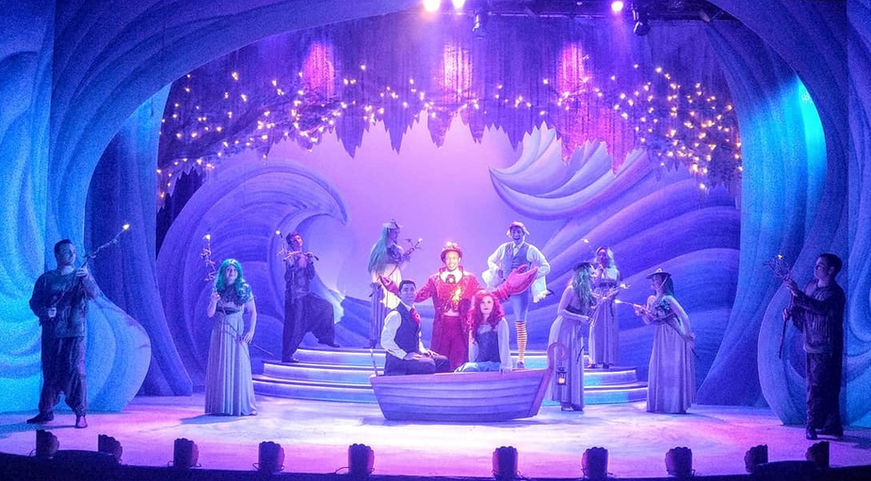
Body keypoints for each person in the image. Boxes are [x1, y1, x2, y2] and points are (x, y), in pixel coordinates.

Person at [27, 239, 99, 428]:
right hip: (52, 332)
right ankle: (46, 411)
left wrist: (87, 279)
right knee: (50, 371)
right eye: (67, 251)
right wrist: (44, 312)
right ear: (57, 255)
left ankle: (80, 414)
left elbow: (94, 295)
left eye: (73, 251)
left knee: (75, 371)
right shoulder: (46, 279)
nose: (72, 254)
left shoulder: (80, 276)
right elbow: (34, 302)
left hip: (74, 332)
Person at [783, 253, 845, 440]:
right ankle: (831, 425)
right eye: (816, 264)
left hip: (827, 347)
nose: (815, 268)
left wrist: (798, 295)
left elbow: (820, 308)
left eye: (820, 265)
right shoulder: (811, 286)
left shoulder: (835, 294)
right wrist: (791, 313)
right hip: (812, 344)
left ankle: (813, 424)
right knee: (820, 385)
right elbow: (803, 311)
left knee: (820, 386)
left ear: (831, 270)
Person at [484, 221, 550, 368]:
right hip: (504, 287)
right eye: (513, 232)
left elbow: (546, 267)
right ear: (510, 233)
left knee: (520, 323)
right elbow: (490, 260)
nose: (516, 234)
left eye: (519, 232)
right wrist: (497, 270)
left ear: (523, 233)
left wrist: (530, 277)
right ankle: (492, 353)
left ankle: (521, 358)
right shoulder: (504, 248)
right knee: (491, 318)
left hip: (520, 291)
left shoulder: (530, 250)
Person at [634, 268, 695, 414]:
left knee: (672, 366)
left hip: (673, 334)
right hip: (661, 335)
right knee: (660, 366)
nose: (654, 282)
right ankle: (661, 403)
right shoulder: (651, 300)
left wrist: (687, 335)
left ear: (663, 282)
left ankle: (674, 404)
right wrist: (643, 313)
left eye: (657, 280)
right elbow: (650, 321)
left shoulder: (668, 299)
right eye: (653, 280)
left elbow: (684, 316)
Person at [415, 242, 483, 370]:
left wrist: (506, 290)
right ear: (444, 260)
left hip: (461, 326)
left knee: (460, 360)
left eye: (454, 258)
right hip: (442, 326)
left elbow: (484, 295)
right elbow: (419, 296)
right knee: (440, 360)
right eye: (448, 258)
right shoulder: (434, 279)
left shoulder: (469, 279)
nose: (451, 261)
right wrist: (397, 289)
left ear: (459, 259)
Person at [205, 259, 258, 415]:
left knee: (238, 364)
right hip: (220, 330)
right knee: (221, 365)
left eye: (234, 270)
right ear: (223, 272)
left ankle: (239, 404)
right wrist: (213, 301)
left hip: (236, 330)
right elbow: (210, 314)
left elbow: (253, 312)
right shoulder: (218, 289)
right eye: (229, 270)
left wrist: (251, 331)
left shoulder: (244, 289)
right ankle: (221, 406)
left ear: (238, 272)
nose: (232, 273)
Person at [282, 232, 338, 363]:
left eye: (298, 238)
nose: (297, 241)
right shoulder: (290, 257)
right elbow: (287, 278)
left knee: (327, 307)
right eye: (294, 240)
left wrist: (310, 262)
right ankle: (287, 355)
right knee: (295, 327)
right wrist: (292, 266)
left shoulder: (304, 256)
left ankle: (325, 338)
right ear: (290, 243)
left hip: (306, 295)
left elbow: (311, 276)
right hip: (295, 297)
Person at [547, 263, 595, 411]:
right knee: (564, 363)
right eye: (592, 273)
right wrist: (580, 317)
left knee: (575, 363)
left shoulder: (587, 293)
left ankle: (574, 397)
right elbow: (560, 311)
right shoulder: (571, 290)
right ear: (584, 275)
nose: (594, 276)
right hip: (564, 329)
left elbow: (587, 314)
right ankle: (563, 398)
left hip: (575, 329)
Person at [381, 280, 451, 375]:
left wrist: (423, 351)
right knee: (429, 365)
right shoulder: (395, 315)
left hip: (414, 355)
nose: (409, 293)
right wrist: (404, 355)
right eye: (406, 290)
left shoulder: (414, 314)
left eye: (412, 290)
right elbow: (385, 342)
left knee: (443, 361)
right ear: (400, 294)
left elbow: (417, 338)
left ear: (415, 293)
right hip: (398, 361)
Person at [367, 220, 416, 349]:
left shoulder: (398, 249)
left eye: (397, 232)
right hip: (381, 280)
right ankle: (373, 338)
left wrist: (405, 260)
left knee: (393, 309)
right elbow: (373, 266)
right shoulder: (378, 248)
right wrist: (375, 282)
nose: (396, 234)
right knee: (378, 310)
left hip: (394, 280)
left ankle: (392, 339)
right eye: (394, 232)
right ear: (388, 232)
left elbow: (400, 268)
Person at [456, 290, 513, 373]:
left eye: (489, 302)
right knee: (463, 369)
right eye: (482, 302)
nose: (486, 305)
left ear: (494, 304)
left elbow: (504, 345)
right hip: (479, 364)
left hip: (495, 364)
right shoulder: (474, 323)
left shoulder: (500, 322)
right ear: (478, 305)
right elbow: (473, 348)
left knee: (469, 368)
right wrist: (472, 365)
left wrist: (506, 366)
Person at [589, 246, 621, 369]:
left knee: (608, 329)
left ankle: (607, 359)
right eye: (600, 255)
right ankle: (594, 359)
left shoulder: (615, 271)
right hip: (598, 300)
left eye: (604, 255)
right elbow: (595, 284)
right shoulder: (594, 271)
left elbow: (618, 287)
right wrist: (600, 272)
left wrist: (611, 295)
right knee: (596, 329)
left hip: (610, 302)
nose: (602, 257)